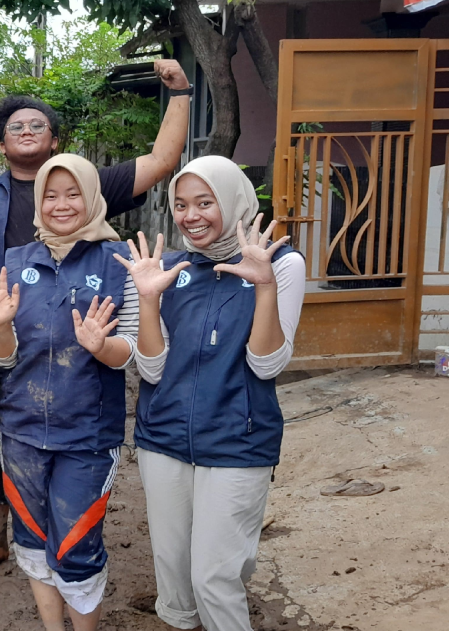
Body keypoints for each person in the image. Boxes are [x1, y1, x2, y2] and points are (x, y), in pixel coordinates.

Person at [0, 63, 191, 572]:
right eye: (17, 126)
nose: (28, 131)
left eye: (38, 125)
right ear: (2, 143)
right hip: (2, 327)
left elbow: (163, 161)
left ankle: (62, 526)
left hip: (77, 337)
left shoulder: (88, 183)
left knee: (60, 433)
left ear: (55, 140)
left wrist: (182, 92)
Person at [117, 157, 303, 631]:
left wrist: (262, 286)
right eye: (181, 205)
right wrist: (149, 298)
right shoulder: (170, 268)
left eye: (205, 202)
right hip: (163, 439)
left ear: (233, 200)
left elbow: (268, 363)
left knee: (215, 577)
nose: (191, 216)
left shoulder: (281, 263)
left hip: (238, 441)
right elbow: (152, 369)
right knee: (175, 575)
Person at [0, 154, 137, 631]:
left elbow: (130, 354)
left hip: (88, 434)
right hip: (21, 431)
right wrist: (0, 327)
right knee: (32, 537)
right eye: (50, 194)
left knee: (76, 546)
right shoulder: (17, 261)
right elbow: (3, 357)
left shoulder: (118, 261)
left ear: (92, 198)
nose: (61, 204)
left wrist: (101, 345)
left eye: (73, 194)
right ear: (38, 202)